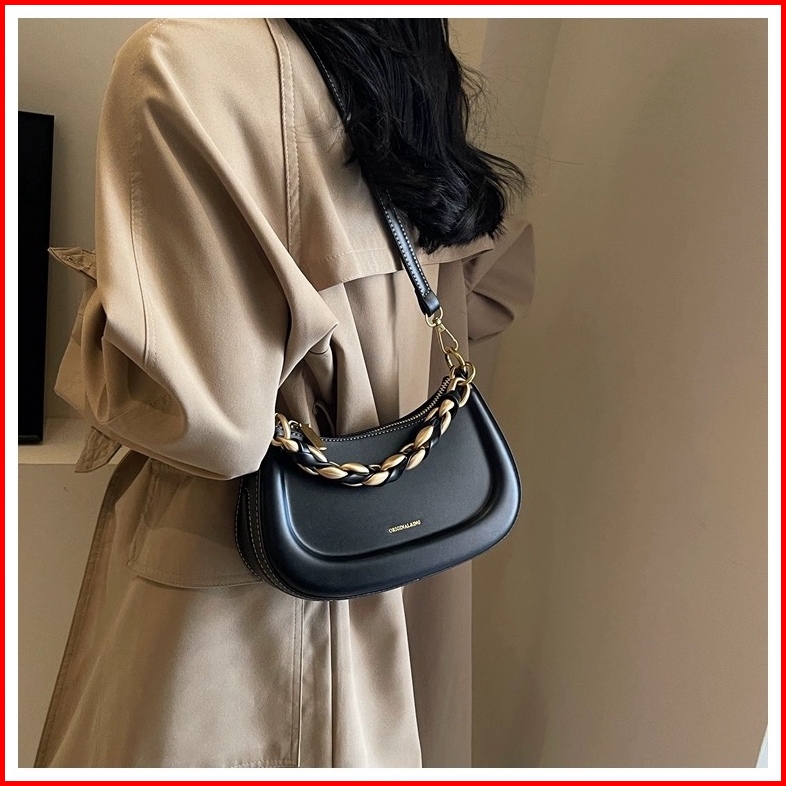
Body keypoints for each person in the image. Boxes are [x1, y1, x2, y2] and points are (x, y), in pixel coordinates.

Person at [35, 18, 536, 768]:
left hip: (243, 597)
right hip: (404, 557)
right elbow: (489, 296)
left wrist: (112, 313)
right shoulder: (407, 57)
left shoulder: (178, 60)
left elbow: (207, 417)